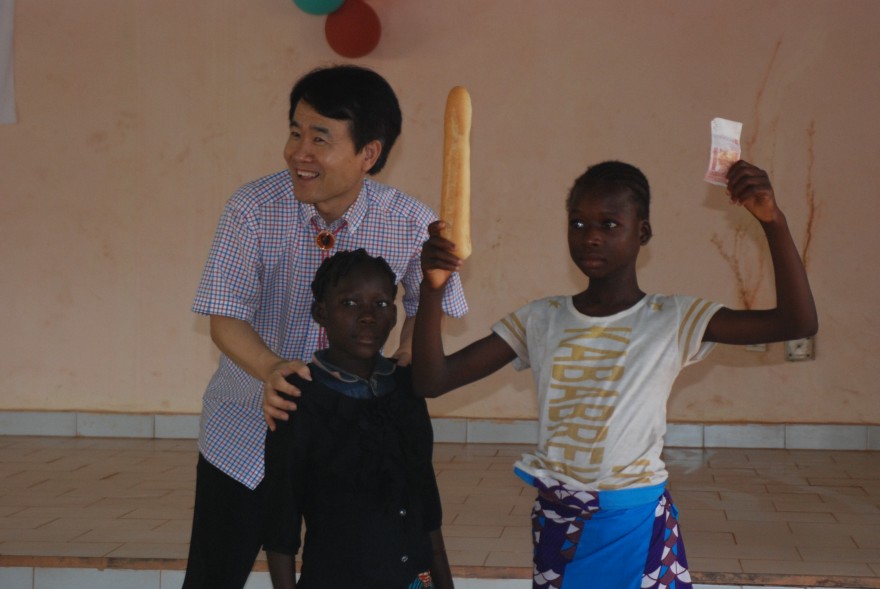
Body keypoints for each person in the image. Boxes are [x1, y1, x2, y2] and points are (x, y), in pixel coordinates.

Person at [412, 160, 817, 589]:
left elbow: (797, 322)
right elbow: (432, 381)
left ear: (642, 232)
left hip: (634, 520)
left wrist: (773, 221)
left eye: (609, 224)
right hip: (560, 522)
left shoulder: (672, 317)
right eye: (578, 223)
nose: (590, 236)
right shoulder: (541, 319)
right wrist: (432, 288)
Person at [185, 64, 467, 589]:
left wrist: (405, 361)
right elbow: (225, 317)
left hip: (352, 450)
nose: (299, 153)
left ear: (368, 153)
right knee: (212, 577)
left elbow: (425, 309)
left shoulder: (409, 222)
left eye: (320, 138)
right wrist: (273, 369)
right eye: (295, 133)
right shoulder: (251, 209)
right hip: (247, 434)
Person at [263, 249, 453, 589]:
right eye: (350, 303)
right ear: (321, 312)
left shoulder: (406, 387)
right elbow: (281, 523)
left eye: (380, 304)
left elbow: (427, 505)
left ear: (394, 315)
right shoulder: (297, 396)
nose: (367, 316)